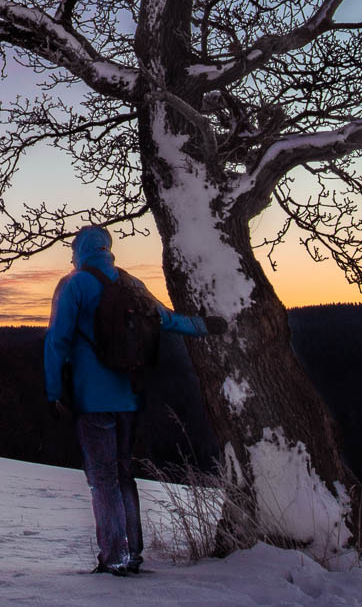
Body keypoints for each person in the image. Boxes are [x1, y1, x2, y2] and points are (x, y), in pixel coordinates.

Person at [43, 224, 226, 576]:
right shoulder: (131, 284)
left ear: (80, 249)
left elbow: (57, 342)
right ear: (107, 248)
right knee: (124, 476)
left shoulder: (74, 285)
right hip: (130, 396)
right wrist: (205, 326)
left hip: (91, 399)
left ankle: (114, 557)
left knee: (103, 480)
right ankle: (133, 554)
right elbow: (168, 320)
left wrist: (53, 392)